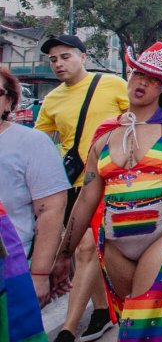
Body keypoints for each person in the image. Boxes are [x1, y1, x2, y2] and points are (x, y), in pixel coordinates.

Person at [53, 42, 162, 342]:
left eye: (153, 78)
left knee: (142, 324)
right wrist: (64, 255)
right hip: (115, 235)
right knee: (140, 317)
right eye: (138, 74)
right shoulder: (105, 133)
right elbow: (87, 198)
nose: (142, 81)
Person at [35, 34, 128, 342]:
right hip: (75, 185)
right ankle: (97, 314)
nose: (59, 63)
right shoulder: (51, 100)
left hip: (113, 181)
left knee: (89, 251)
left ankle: (69, 328)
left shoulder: (113, 85)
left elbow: (139, 118)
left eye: (65, 56)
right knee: (88, 252)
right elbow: (39, 143)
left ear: (83, 57)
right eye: (53, 59)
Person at [0, 66, 69, 308]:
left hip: (10, 266)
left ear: (9, 101)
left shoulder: (31, 142)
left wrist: (39, 275)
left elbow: (51, 208)